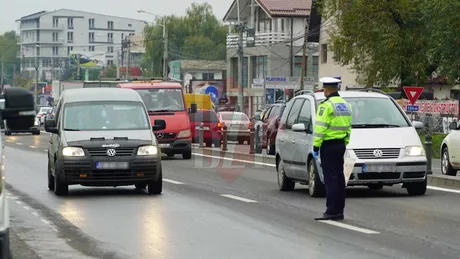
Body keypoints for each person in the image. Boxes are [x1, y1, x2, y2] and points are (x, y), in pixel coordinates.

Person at [312, 77, 352, 221]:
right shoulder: (346, 105)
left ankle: (331, 210)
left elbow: (320, 128)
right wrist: (345, 142)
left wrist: (316, 146)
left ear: (327, 90)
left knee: (331, 179)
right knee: (340, 178)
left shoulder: (326, 106)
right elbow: (348, 128)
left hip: (328, 145)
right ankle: (339, 210)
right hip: (340, 145)